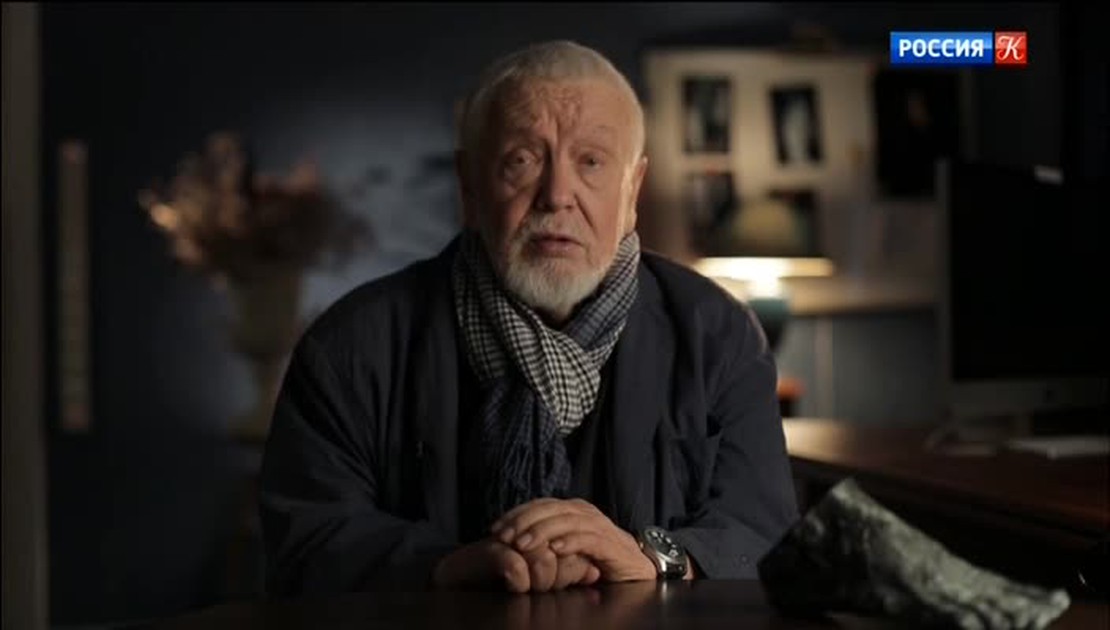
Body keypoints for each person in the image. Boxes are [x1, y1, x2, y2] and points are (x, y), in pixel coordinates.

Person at [258, 40, 799, 597]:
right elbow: (304, 542)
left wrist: (649, 560)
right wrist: (446, 566)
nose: (557, 195)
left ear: (632, 191)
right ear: (469, 187)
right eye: (522, 160)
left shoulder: (719, 336)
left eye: (591, 162)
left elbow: (765, 535)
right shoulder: (351, 345)